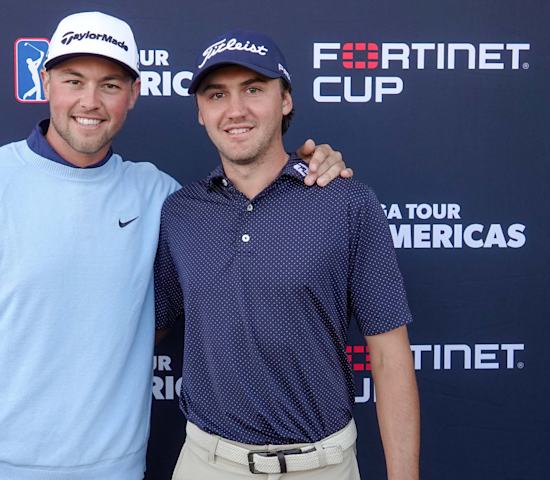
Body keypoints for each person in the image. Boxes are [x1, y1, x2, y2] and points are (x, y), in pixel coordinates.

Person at [0, 13, 349, 480]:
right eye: (74, 81)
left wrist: (311, 166)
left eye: (110, 85)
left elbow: (251, 203)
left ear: (133, 94)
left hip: (119, 469)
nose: (90, 102)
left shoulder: (159, 196)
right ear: (45, 82)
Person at [154, 31, 419, 480]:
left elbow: (390, 358)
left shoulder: (347, 203)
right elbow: (147, 330)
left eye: (254, 90)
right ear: (200, 111)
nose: (235, 110)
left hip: (322, 465)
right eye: (217, 95)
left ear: (286, 100)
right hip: (207, 463)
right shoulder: (180, 211)